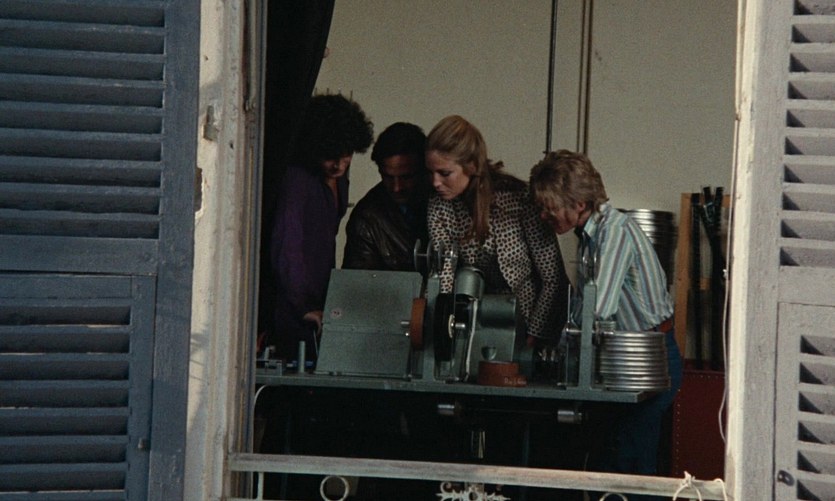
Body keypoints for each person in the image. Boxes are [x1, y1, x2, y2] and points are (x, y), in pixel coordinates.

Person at [529, 149, 683, 501]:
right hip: (622, 360)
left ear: (580, 203)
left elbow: (598, 310)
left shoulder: (615, 233)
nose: (544, 215)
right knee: (612, 461)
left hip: (649, 358)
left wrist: (560, 343)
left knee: (632, 466)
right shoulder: (589, 238)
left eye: (550, 207)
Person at [425, 115, 568, 342]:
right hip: (472, 323)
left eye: (445, 174)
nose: (435, 182)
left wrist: (535, 334)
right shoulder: (439, 207)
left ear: (471, 166)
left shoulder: (519, 199)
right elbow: (444, 272)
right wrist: (442, 325)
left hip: (527, 320)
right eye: (430, 172)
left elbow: (552, 278)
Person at [270, 93, 373, 362]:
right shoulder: (297, 181)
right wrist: (302, 306)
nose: (338, 165)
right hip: (295, 307)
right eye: (329, 157)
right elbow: (287, 246)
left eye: (346, 156)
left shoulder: (340, 178)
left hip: (322, 298)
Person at [343, 122, 429, 271]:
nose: (397, 187)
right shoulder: (367, 217)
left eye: (406, 177)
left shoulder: (447, 201)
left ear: (425, 169)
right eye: (388, 177)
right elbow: (359, 281)